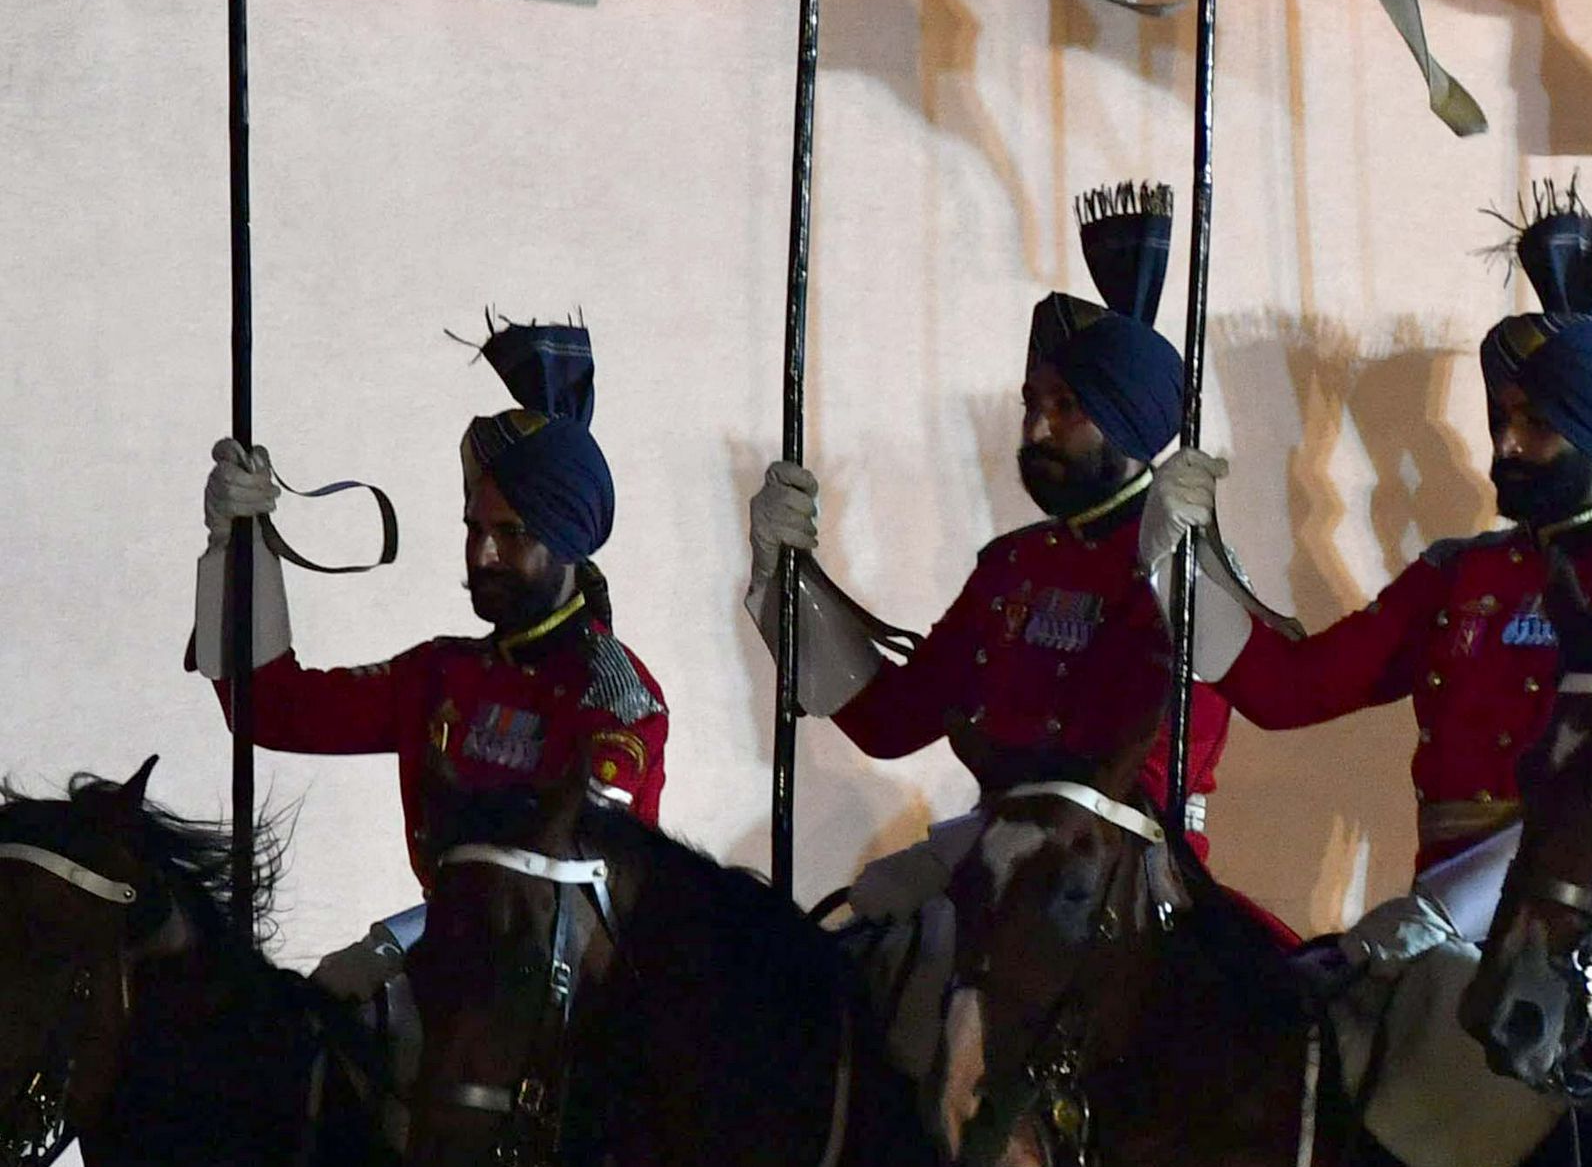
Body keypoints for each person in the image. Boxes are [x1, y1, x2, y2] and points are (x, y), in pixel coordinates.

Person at [1224, 180, 1592, 961]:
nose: (1504, 447)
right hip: (1440, 940)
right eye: (1499, 420)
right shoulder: (1459, 577)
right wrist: (1184, 562)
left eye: (1535, 424)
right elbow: (1290, 689)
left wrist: (1447, 910)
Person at [752, 183, 1237, 851]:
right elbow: (890, 722)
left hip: (1131, 866)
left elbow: (1167, 757)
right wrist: (786, 578)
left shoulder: (1182, 563)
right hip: (1002, 857)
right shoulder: (1013, 566)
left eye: (1066, 407)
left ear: (1128, 421)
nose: (1035, 429)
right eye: (1030, 403)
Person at [192, 320, 669, 959]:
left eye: (512, 533)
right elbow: (269, 707)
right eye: (474, 528)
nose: (484, 553)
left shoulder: (614, 697)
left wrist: (395, 942)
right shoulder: (443, 674)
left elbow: (557, 887)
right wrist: (236, 543)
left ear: (568, 543)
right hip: (461, 959)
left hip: (566, 976)